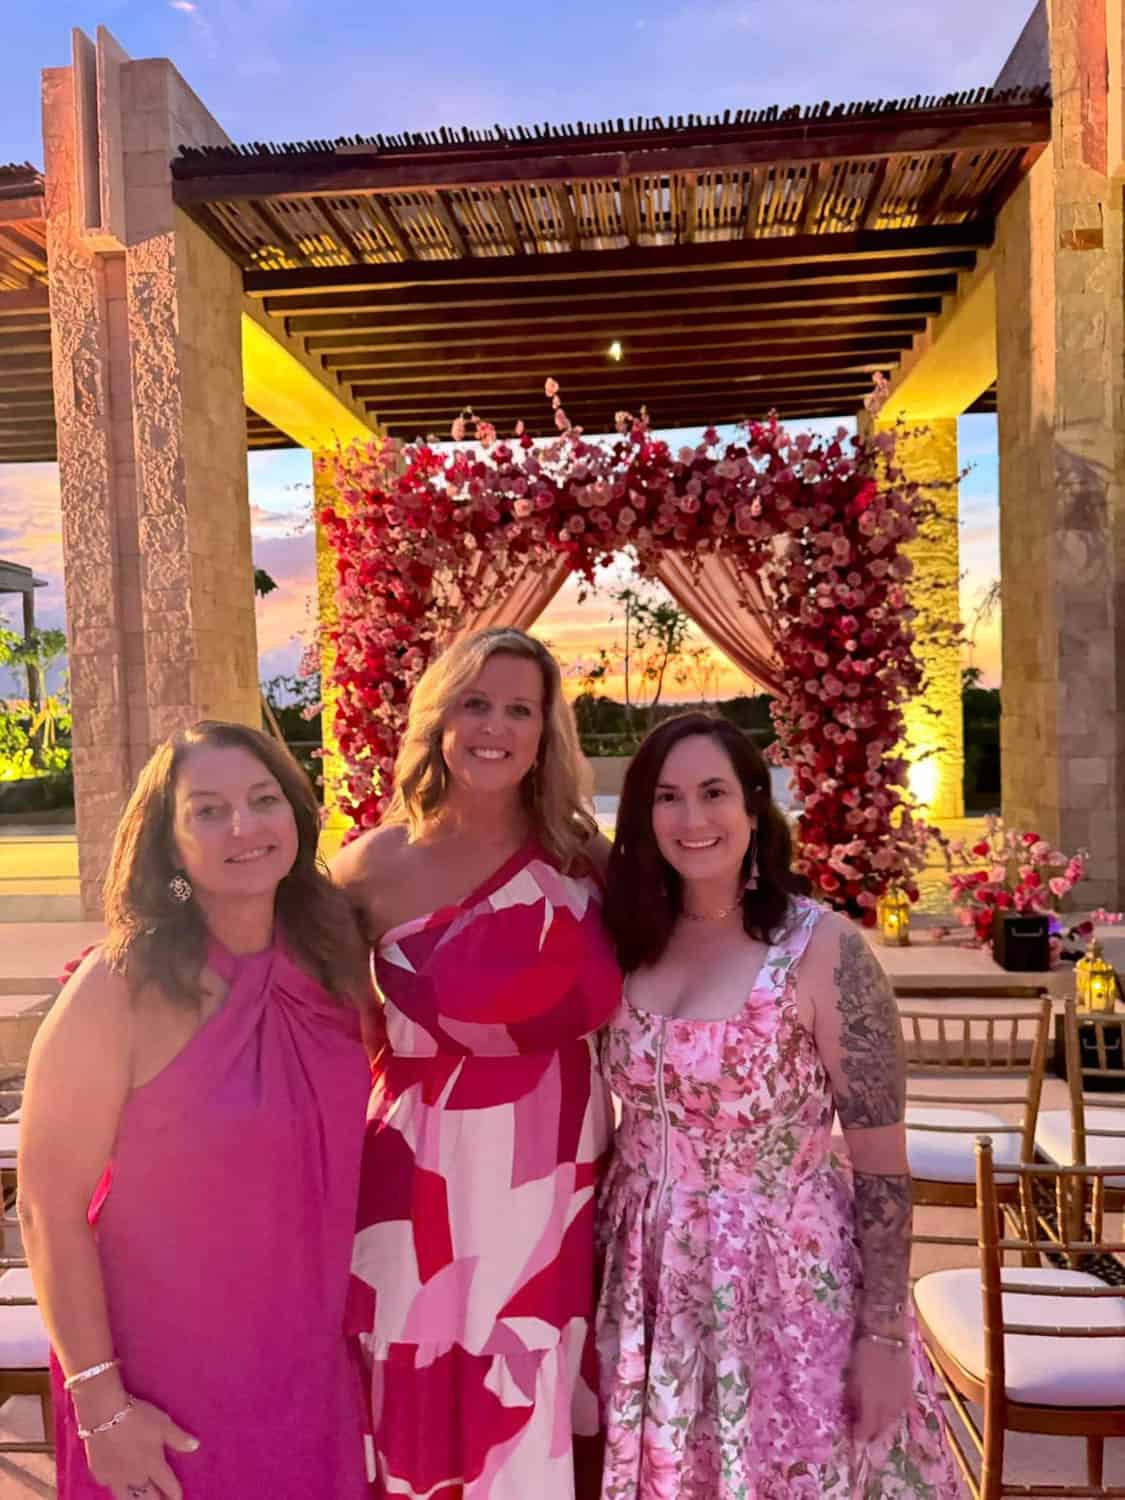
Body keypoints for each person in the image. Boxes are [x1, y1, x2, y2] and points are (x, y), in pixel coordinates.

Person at [596, 712, 961, 1499]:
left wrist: (883, 1333)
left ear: (754, 805)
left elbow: (880, 1165)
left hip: (783, 1279)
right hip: (640, 1270)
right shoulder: (624, 937)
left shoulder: (821, 948)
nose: (691, 819)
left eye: (713, 793)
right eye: (666, 797)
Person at [18, 722, 373, 1500]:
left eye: (263, 800)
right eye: (207, 810)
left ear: (296, 815)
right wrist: (102, 1408)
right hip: (160, 1385)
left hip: (309, 1367)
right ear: (169, 845)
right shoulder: (120, 986)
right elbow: (47, 1207)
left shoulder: (334, 961)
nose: (243, 826)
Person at [333, 625, 621, 1500]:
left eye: (519, 710)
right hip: (419, 1169)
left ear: (544, 733)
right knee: (415, 1366)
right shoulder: (369, 868)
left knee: (533, 1372)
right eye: (475, 703)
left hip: (558, 1175)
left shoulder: (589, 862)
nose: (495, 726)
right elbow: (340, 1034)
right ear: (439, 717)